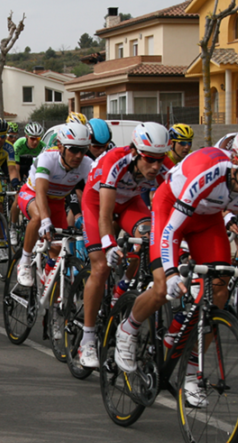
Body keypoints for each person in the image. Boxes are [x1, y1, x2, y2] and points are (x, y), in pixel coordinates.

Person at [115, 127, 238, 406]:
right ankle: (128, 328)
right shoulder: (210, 173)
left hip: (207, 221)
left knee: (218, 291)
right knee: (161, 289)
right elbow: (170, 231)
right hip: (171, 211)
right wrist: (169, 272)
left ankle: (193, 372)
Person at [77, 122, 171, 368]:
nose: (156, 166)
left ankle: (123, 290)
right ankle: (86, 339)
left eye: (160, 160)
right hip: (97, 202)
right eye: (149, 159)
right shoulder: (114, 162)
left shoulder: (164, 167)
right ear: (135, 153)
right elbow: (105, 215)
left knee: (148, 236)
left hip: (129, 203)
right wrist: (109, 246)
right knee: (100, 267)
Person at [16, 122, 94, 287]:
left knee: (57, 249)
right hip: (32, 194)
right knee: (38, 218)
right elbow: (41, 193)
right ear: (60, 146)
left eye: (83, 150)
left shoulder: (87, 164)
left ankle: (48, 280)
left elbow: (92, 196)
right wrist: (45, 220)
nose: (79, 155)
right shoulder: (47, 158)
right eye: (73, 149)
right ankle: (24, 261)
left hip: (58, 201)